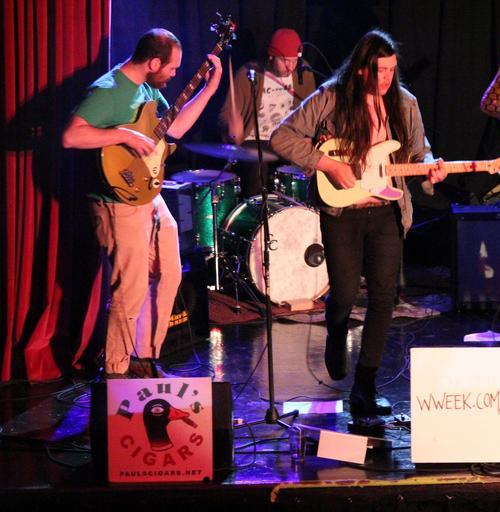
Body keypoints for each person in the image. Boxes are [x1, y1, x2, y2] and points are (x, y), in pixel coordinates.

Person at [271, 30, 446, 425]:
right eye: (380, 70)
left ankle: (365, 386)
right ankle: (336, 331)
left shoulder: (405, 103)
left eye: (391, 70)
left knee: (384, 297)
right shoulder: (331, 97)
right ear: (362, 68)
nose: (386, 79)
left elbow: (420, 152)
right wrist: (328, 164)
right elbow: (282, 136)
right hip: (343, 212)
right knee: (346, 293)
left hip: (386, 212)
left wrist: (430, 170)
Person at [62, 28, 222, 378]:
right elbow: (71, 135)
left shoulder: (148, 88)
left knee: (170, 271)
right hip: (116, 200)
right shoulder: (108, 90)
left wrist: (210, 88)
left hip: (146, 193)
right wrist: (123, 134)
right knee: (130, 286)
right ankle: (116, 371)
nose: (174, 74)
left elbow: (174, 128)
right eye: (172, 68)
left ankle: (145, 358)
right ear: (153, 63)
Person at [219, 28, 317, 197]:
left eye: (294, 60)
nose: (290, 66)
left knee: (307, 166)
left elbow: (312, 111)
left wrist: (308, 137)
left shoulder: (303, 73)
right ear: (271, 56)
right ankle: (258, 210)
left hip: (287, 139)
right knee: (257, 167)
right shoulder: (248, 74)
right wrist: (231, 128)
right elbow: (225, 114)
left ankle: (297, 209)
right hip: (255, 140)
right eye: (284, 60)